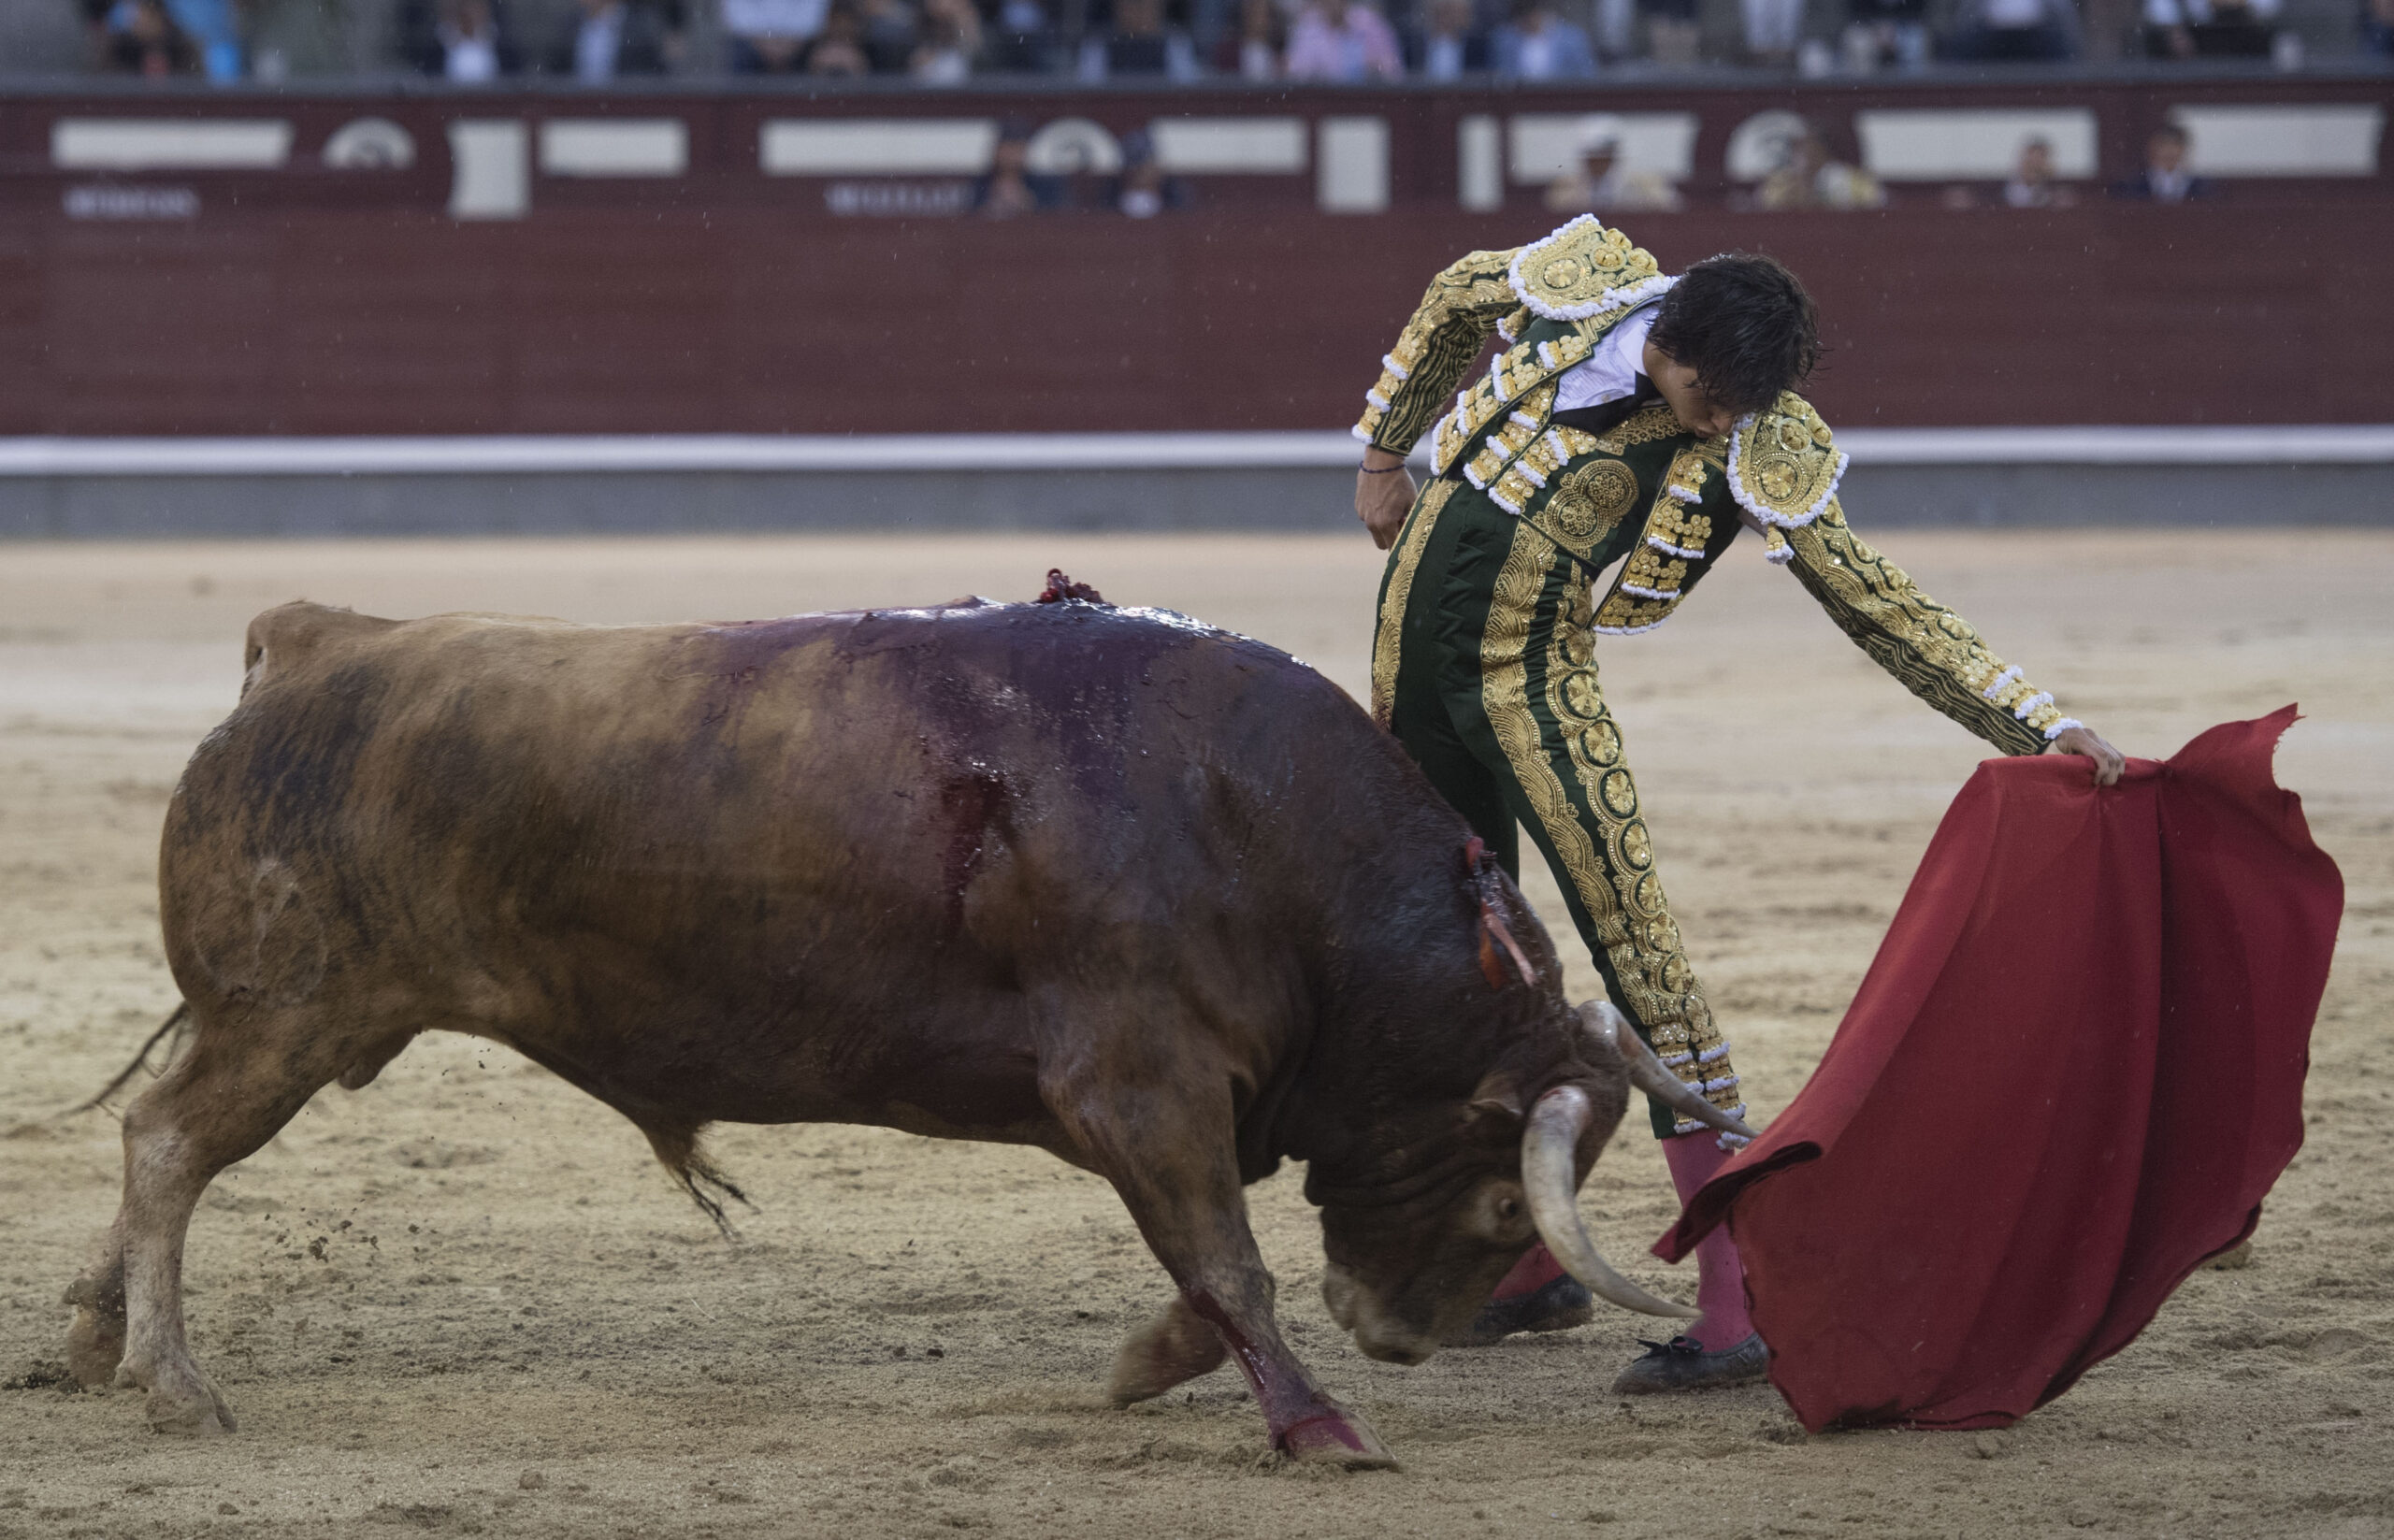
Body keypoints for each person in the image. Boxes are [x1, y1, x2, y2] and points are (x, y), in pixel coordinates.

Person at [1349, 215, 2125, 1389]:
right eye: (1711, 396)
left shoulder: (1754, 432)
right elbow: (1460, 289)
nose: (1724, 423)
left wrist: (2037, 720)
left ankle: (1732, 1305)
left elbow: (1876, 600)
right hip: (1407, 665)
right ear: (1667, 338)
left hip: (1532, 689)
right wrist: (1380, 451)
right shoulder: (1584, 297)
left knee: (1641, 959)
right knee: (1448, 960)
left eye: (1743, 406)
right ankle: (1518, 1260)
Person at [1545, 118, 1683, 213]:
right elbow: (1553, 209)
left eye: (1604, 157)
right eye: (1592, 158)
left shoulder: (1645, 183)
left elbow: (1673, 206)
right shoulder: (1565, 186)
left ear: (1613, 158)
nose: (1598, 163)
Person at [545, 0, 685, 79]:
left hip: (625, 118)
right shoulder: (568, 26)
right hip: (575, 117)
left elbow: (652, 76)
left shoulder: (640, 27)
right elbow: (553, 71)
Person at [1755, 123, 1883, 209]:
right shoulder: (1781, 181)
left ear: (1825, 152)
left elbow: (1875, 201)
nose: (1806, 157)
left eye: (1812, 150)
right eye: (1800, 149)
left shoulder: (1853, 179)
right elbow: (1765, 205)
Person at [1078, 0, 1204, 79]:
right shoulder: (1098, 43)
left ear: (1159, 7)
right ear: (1117, 7)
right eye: (1130, 5)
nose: (1137, 12)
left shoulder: (1176, 42)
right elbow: (1089, 88)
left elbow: (1187, 88)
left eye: (1144, 5)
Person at [1283, 0, 1403, 79]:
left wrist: (1372, 68)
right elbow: (1296, 75)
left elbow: (1393, 70)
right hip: (1323, 104)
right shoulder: (1307, 28)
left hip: (1367, 102)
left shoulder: (1370, 23)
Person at [972, 119, 1067, 217]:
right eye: (1007, 148)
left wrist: (1027, 203)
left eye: (1016, 148)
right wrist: (991, 207)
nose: (1010, 155)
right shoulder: (980, 184)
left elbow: (1060, 216)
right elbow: (969, 214)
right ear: (996, 150)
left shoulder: (1046, 185)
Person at [1493, 0, 1598, 76]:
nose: (1531, 20)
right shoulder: (1504, 40)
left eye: (1535, 14)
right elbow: (1499, 75)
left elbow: (1586, 75)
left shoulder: (1572, 39)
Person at [2111, 123, 2211, 201]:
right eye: (2163, 145)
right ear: (2151, 149)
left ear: (2184, 150)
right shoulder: (2132, 185)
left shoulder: (2201, 187)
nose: (2169, 151)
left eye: (2175, 145)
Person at [1943, 0, 2079, 56]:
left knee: (2062, 50)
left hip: (2037, 36)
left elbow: (2063, 13)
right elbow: (1966, 13)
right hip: (1989, 36)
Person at [722, 0, 829, 70]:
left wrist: (787, 44)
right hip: (751, 43)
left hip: (800, 43)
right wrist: (764, 43)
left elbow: (814, 19)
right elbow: (736, 17)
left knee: (825, 57)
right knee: (735, 54)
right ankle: (742, 101)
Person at [1412, 0, 1491, 78]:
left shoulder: (1477, 48)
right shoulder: (1414, 46)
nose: (1446, 18)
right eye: (1440, 12)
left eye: (1451, 12)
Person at [1211, 0, 1285, 75]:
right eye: (1255, 13)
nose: (1260, 20)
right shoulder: (1228, 52)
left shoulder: (1277, 54)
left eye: (1264, 14)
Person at [2002, 137, 2078, 208]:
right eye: (2031, 159)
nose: (2035, 163)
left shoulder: (2059, 185)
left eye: (2040, 158)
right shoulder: (2010, 185)